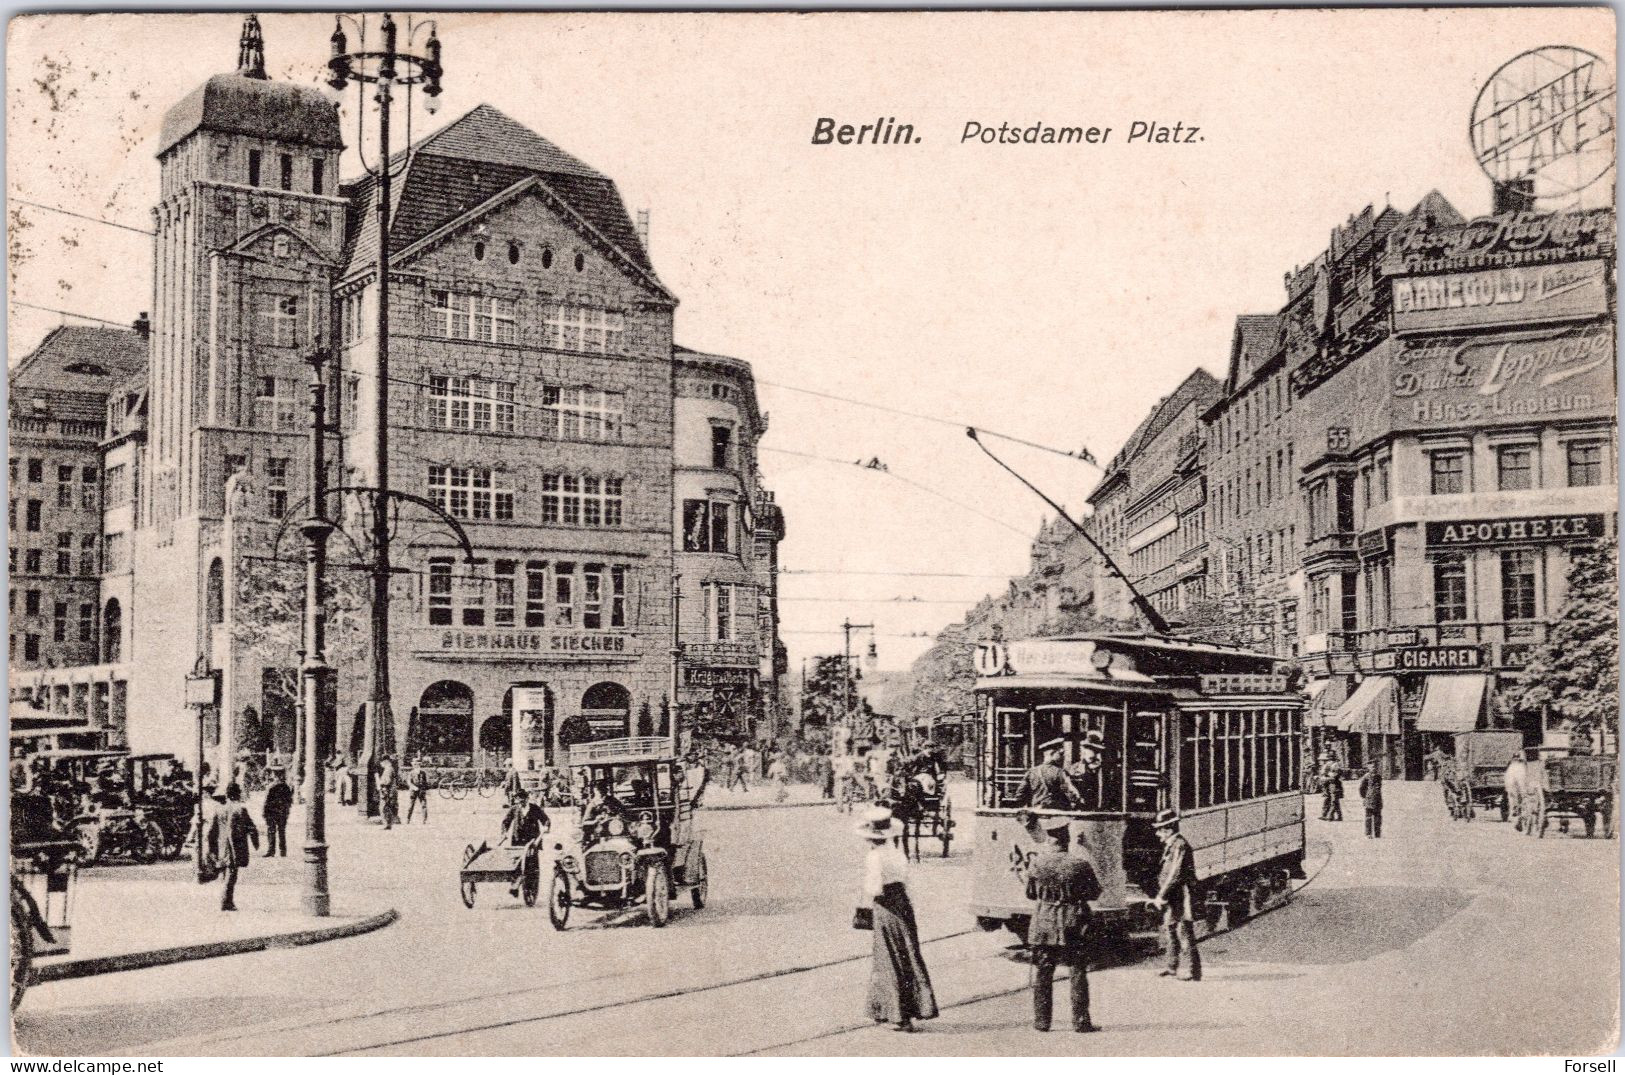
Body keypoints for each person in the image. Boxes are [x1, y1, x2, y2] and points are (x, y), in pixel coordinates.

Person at [857, 807, 938, 1032]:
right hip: (903, 904)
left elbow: (874, 887)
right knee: (907, 952)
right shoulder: (897, 852)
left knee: (887, 957)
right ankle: (912, 1009)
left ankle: (897, 1014)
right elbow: (907, 883)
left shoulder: (874, 857)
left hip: (885, 906)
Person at [1027, 817, 1102, 1033]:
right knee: (1077, 970)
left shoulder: (1037, 863)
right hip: (1074, 922)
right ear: (1067, 839)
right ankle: (1081, 1022)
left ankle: (1042, 1022)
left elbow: (1031, 894)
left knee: (1043, 972)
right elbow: (1094, 893)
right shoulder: (1079, 864)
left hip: (1044, 922)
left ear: (1049, 841)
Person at [1151, 808, 1201, 981]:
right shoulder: (1172, 845)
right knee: (1170, 928)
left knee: (1184, 931)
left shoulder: (1180, 845)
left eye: (1160, 829)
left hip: (1182, 894)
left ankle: (1193, 970)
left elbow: (1175, 874)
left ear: (1169, 829)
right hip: (1175, 895)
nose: (1158, 834)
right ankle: (1172, 966)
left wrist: (1161, 895)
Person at [206, 783, 260, 912]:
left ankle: (228, 901)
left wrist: (212, 848)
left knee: (227, 873)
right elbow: (251, 828)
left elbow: (211, 832)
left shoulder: (219, 809)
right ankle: (226, 902)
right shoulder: (240, 810)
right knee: (232, 874)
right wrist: (255, 842)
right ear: (237, 794)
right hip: (236, 847)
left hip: (222, 847)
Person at [1012, 738, 1084, 811]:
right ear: (1052, 754)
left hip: (1036, 810)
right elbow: (1069, 790)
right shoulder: (1060, 772)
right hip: (1056, 811)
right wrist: (1077, 802)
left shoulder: (1032, 771)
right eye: (1060, 754)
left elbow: (1020, 793)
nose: (1062, 756)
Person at [261, 768, 292, 857]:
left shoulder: (271, 786)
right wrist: (286, 810)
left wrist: (264, 811)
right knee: (282, 831)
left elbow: (267, 801)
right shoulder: (286, 786)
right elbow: (289, 800)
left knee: (271, 831)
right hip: (282, 812)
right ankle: (283, 851)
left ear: (274, 775)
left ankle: (271, 851)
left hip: (271, 812)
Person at [1358, 764, 1383, 838]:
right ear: (1369, 768)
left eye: (1375, 767)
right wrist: (1365, 797)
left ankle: (1377, 833)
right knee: (1368, 817)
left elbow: (1379, 787)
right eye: (1372, 767)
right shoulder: (1366, 776)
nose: (1374, 768)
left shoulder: (1378, 776)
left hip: (1378, 799)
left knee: (1378, 817)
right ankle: (1368, 833)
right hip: (1369, 798)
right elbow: (1361, 788)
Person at [1320, 753, 1344, 822]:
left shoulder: (1336, 765)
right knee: (1334, 801)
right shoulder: (1330, 765)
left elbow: (1334, 776)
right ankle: (1339, 816)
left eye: (1330, 759)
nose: (1329, 761)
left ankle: (1330, 816)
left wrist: (1327, 775)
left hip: (1335, 785)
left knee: (1334, 800)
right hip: (1330, 785)